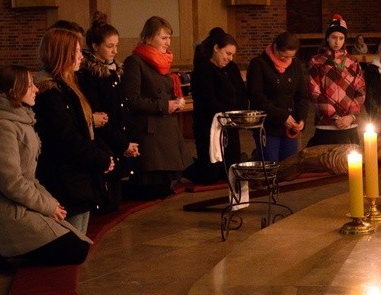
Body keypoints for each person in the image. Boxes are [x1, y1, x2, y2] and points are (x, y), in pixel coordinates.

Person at [0, 65, 91, 273]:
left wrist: (50, 203)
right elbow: (12, 184)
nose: (36, 89)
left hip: (20, 204)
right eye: (30, 85)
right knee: (76, 250)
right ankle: (0, 249)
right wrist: (47, 206)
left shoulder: (18, 118)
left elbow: (28, 177)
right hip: (5, 211)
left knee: (77, 243)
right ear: (14, 91)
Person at [34, 28, 115, 234]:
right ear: (62, 54)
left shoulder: (67, 86)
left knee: (79, 238)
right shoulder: (50, 93)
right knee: (72, 242)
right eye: (76, 51)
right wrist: (99, 159)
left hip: (78, 175)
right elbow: (66, 139)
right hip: (65, 177)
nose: (81, 56)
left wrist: (103, 155)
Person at [123, 16, 193, 198]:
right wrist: (164, 105)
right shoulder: (135, 62)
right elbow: (131, 100)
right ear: (148, 38)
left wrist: (176, 102)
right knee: (152, 191)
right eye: (163, 38)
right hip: (150, 133)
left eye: (169, 38)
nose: (168, 42)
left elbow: (165, 92)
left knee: (165, 189)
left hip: (166, 130)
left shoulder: (162, 62)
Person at [78, 11, 140, 213]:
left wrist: (128, 140)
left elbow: (121, 108)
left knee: (116, 201)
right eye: (109, 46)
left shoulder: (115, 71)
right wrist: (122, 143)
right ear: (95, 46)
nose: (115, 51)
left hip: (118, 138)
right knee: (108, 204)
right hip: (105, 140)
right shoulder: (91, 75)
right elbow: (103, 115)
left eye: (117, 46)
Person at [185, 30, 247, 184]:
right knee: (210, 175)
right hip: (210, 126)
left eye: (232, 54)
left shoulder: (231, 67)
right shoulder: (202, 69)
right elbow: (207, 102)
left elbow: (240, 91)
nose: (230, 58)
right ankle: (182, 167)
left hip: (231, 124)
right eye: (227, 53)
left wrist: (241, 112)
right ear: (216, 48)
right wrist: (229, 111)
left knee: (229, 171)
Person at [247, 31, 309, 162]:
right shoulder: (259, 64)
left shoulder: (295, 64)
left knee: (288, 165)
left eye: (291, 57)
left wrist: (301, 118)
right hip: (268, 125)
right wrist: (282, 116)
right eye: (284, 56)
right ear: (275, 47)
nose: (287, 60)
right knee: (271, 165)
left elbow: (301, 95)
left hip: (290, 126)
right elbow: (257, 97)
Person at [307, 14, 365, 146]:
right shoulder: (317, 62)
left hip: (349, 124)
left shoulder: (353, 62)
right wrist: (335, 117)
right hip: (326, 125)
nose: (337, 42)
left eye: (341, 38)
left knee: (351, 164)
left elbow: (361, 91)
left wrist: (351, 116)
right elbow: (314, 93)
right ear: (327, 38)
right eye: (333, 37)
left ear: (345, 40)